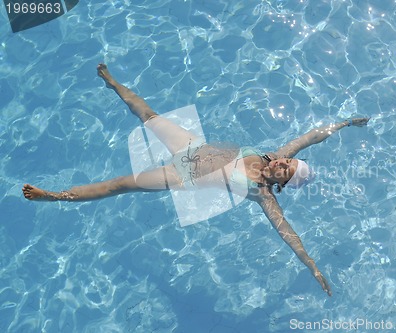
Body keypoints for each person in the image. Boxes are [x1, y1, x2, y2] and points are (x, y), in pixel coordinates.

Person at [22, 64, 370, 296]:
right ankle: (113, 82)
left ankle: (54, 196)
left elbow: (289, 235)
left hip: (181, 174)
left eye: (286, 170)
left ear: (282, 182)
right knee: (148, 114)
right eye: (287, 161)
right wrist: (345, 124)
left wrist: (313, 268)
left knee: (119, 184)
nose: (282, 162)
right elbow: (310, 136)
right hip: (192, 147)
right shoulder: (276, 153)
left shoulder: (264, 195)